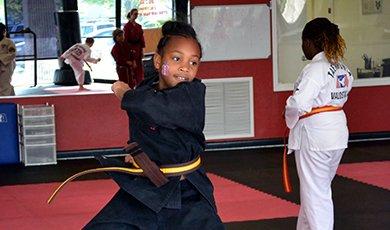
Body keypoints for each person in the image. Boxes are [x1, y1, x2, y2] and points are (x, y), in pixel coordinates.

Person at [83, 21, 224, 229]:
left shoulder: (192, 93)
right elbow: (141, 117)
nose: (185, 67)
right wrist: (137, 150)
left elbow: (151, 107)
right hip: (146, 190)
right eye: (176, 59)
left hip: (186, 192)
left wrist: (124, 93)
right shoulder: (148, 87)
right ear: (158, 62)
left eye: (193, 63)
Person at [284, 17, 353, 230]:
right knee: (315, 192)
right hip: (336, 133)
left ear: (311, 42)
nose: (303, 47)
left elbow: (300, 102)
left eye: (303, 42)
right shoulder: (340, 66)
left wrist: (288, 115)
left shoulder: (315, 68)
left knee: (316, 196)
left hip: (315, 137)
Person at [123, 8, 145, 87]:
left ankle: (140, 83)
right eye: (135, 14)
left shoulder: (139, 26)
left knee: (139, 66)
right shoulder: (127, 26)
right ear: (131, 14)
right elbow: (126, 39)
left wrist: (142, 50)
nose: (136, 16)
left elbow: (141, 38)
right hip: (130, 47)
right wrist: (127, 50)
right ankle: (132, 84)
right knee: (132, 66)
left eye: (137, 14)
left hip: (138, 47)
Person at [0, 22, 16, 96]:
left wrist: (1, 59)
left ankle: (6, 101)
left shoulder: (8, 42)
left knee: (4, 83)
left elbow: (12, 53)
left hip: (6, 65)